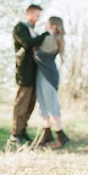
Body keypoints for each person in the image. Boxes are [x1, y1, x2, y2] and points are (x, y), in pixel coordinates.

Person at [11, 4, 50, 144]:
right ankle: (15, 134)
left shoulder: (32, 30)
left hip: (34, 74)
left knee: (30, 105)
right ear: (29, 13)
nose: (37, 19)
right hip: (24, 73)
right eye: (36, 15)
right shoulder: (20, 28)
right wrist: (45, 35)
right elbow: (27, 43)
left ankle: (22, 131)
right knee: (21, 104)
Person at [34, 16, 70, 148]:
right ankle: (47, 133)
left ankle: (61, 134)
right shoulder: (50, 38)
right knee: (43, 103)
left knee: (51, 103)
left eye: (48, 24)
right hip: (41, 74)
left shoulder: (50, 39)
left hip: (48, 75)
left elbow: (38, 53)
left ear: (54, 26)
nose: (45, 26)